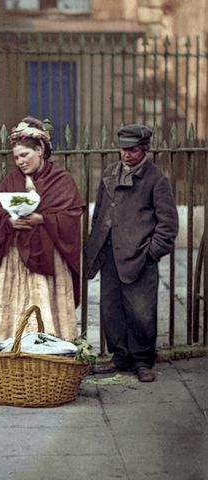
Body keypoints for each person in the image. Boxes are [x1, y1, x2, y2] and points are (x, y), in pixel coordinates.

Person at [85, 124, 179, 382]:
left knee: (141, 311)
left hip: (139, 257)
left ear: (145, 150)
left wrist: (151, 253)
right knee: (111, 309)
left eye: (133, 150)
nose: (126, 155)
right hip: (110, 256)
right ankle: (120, 357)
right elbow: (99, 214)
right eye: (123, 149)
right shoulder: (110, 173)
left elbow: (168, 224)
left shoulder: (156, 179)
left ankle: (142, 361)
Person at [0, 116, 85, 341]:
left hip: (49, 257)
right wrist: (8, 222)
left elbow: (71, 215)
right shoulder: (10, 180)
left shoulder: (61, 180)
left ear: (40, 149)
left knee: (45, 308)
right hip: (15, 259)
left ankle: (51, 350)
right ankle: (12, 351)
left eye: (25, 155)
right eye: (16, 157)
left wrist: (42, 219)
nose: (20, 161)